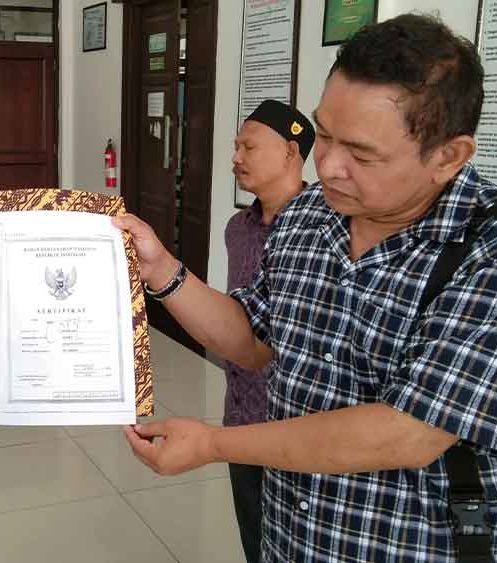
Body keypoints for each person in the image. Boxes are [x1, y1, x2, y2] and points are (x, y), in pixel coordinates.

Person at [118, 14, 497, 562]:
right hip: (293, 537)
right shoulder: (308, 214)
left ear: (448, 157)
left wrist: (213, 444)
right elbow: (252, 338)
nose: (329, 166)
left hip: (412, 547)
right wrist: (161, 269)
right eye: (325, 135)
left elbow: (410, 431)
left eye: (361, 153)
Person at [223, 99, 314, 563]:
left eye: (249, 147)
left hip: (298, 426)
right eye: (236, 146)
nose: (236, 157)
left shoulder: (327, 232)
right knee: (254, 536)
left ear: (291, 152)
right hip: (241, 415)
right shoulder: (236, 229)